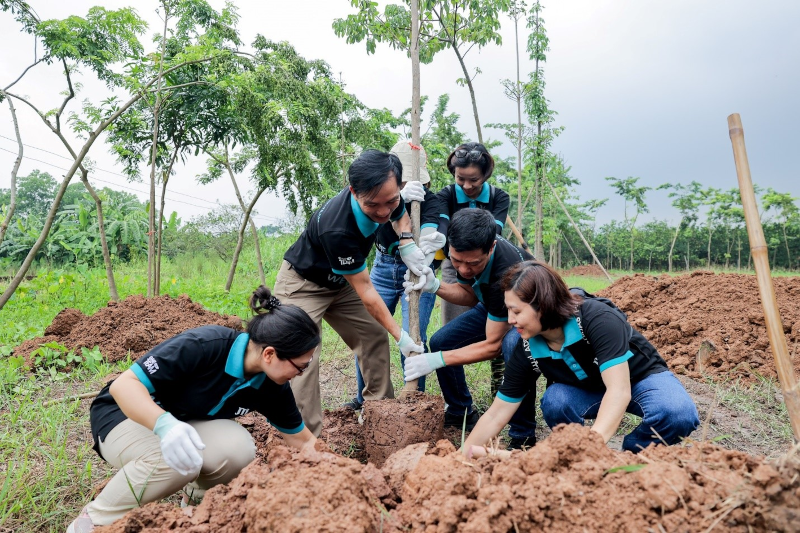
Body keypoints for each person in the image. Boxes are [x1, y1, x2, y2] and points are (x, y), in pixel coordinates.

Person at [68, 286, 321, 532]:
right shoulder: (206, 344)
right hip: (123, 415)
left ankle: (196, 502)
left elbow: (301, 439)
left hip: (181, 421)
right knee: (177, 461)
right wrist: (165, 426)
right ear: (269, 354)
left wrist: (344, 473)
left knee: (238, 451)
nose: (300, 374)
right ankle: (94, 519)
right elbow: (124, 386)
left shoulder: (272, 385)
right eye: (300, 367)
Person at [462, 260, 700, 457]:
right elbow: (497, 413)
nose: (510, 320)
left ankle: (628, 456)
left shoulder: (598, 319)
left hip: (638, 379)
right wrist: (461, 457)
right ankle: (574, 459)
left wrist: (591, 448)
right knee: (557, 401)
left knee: (678, 412)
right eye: (508, 310)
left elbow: (618, 391)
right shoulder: (527, 345)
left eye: (516, 311)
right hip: (589, 389)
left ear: (542, 306)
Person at [276, 149, 427, 435]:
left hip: (341, 283)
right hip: (303, 284)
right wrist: (401, 335)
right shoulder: (337, 227)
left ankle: (380, 419)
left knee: (372, 335)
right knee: (301, 356)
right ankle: (305, 442)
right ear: (353, 191)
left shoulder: (388, 195)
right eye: (373, 205)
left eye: (391, 200)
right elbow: (367, 292)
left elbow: (399, 216)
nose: (383, 211)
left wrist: (406, 240)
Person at [403, 209, 537, 449]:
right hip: (494, 305)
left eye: (474, 263)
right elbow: (469, 295)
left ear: (492, 247)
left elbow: (492, 345)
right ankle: (461, 411)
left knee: (513, 347)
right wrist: (434, 285)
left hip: (530, 313)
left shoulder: (506, 273)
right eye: (456, 261)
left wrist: (437, 360)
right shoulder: (469, 252)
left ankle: (523, 435)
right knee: (443, 340)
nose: (464, 270)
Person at [345, 141, 447, 410]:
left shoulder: (432, 201)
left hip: (417, 271)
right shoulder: (380, 198)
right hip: (382, 266)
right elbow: (377, 218)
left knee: (414, 336)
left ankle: (414, 402)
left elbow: (428, 233)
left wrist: (423, 253)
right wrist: (397, 202)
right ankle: (364, 399)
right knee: (370, 333)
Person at [435, 142, 509, 326]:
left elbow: (495, 233)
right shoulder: (445, 195)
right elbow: (443, 225)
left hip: (488, 264)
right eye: (460, 179)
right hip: (456, 264)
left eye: (474, 180)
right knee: (455, 322)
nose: (467, 186)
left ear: (485, 174)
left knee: (496, 317)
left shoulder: (499, 197)